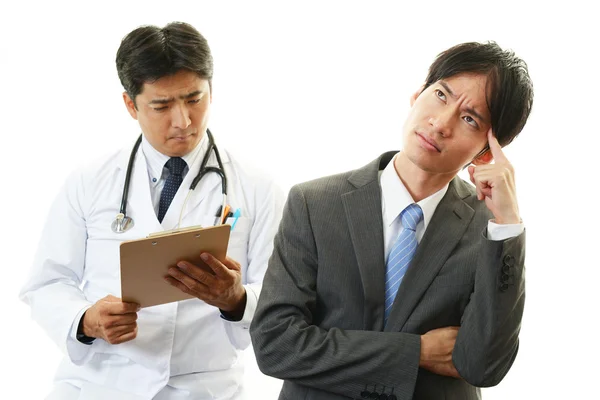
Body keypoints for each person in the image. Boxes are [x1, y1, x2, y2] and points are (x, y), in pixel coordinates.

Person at [250, 41, 533, 400]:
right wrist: (417, 352)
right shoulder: (314, 203)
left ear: (488, 150)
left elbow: (483, 366)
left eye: (469, 119)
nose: (441, 123)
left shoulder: (491, 232)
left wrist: (507, 225)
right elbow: (275, 345)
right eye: (442, 95)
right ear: (418, 94)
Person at [20, 22, 283, 400]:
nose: (183, 121)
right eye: (161, 105)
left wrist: (235, 298)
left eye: (195, 99)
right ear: (131, 104)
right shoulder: (89, 181)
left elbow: (280, 301)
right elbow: (47, 283)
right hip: (100, 384)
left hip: (204, 388)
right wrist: (86, 320)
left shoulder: (258, 188)